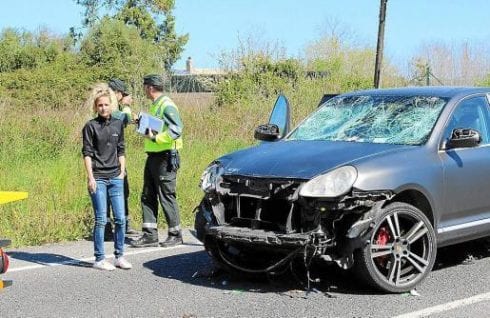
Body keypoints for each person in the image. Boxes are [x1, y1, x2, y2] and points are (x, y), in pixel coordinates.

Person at [130, 74, 183, 248]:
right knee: (148, 194)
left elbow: (176, 130)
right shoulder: (156, 105)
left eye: (145, 86)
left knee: (166, 195)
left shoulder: (167, 105)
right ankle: (149, 235)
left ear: (150, 87)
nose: (144, 90)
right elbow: (156, 126)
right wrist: (141, 123)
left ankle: (175, 234)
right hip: (154, 156)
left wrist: (156, 138)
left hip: (166, 156)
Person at [82, 87, 132, 270]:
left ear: (112, 105)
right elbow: (87, 154)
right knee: (101, 219)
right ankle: (100, 259)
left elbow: (121, 149)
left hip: (115, 177)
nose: (103, 108)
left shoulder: (118, 124)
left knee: (120, 219)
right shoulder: (90, 126)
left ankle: (119, 256)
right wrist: (90, 178)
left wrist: (122, 171)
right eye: (100, 105)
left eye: (106, 104)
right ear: (96, 107)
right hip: (99, 178)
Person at [106, 78, 139, 236]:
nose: (124, 97)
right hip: (110, 156)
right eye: (122, 94)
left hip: (112, 154)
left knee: (122, 190)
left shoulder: (110, 106)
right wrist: (127, 106)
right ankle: (110, 226)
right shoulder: (109, 107)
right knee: (115, 189)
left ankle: (122, 224)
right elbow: (122, 118)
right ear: (117, 93)